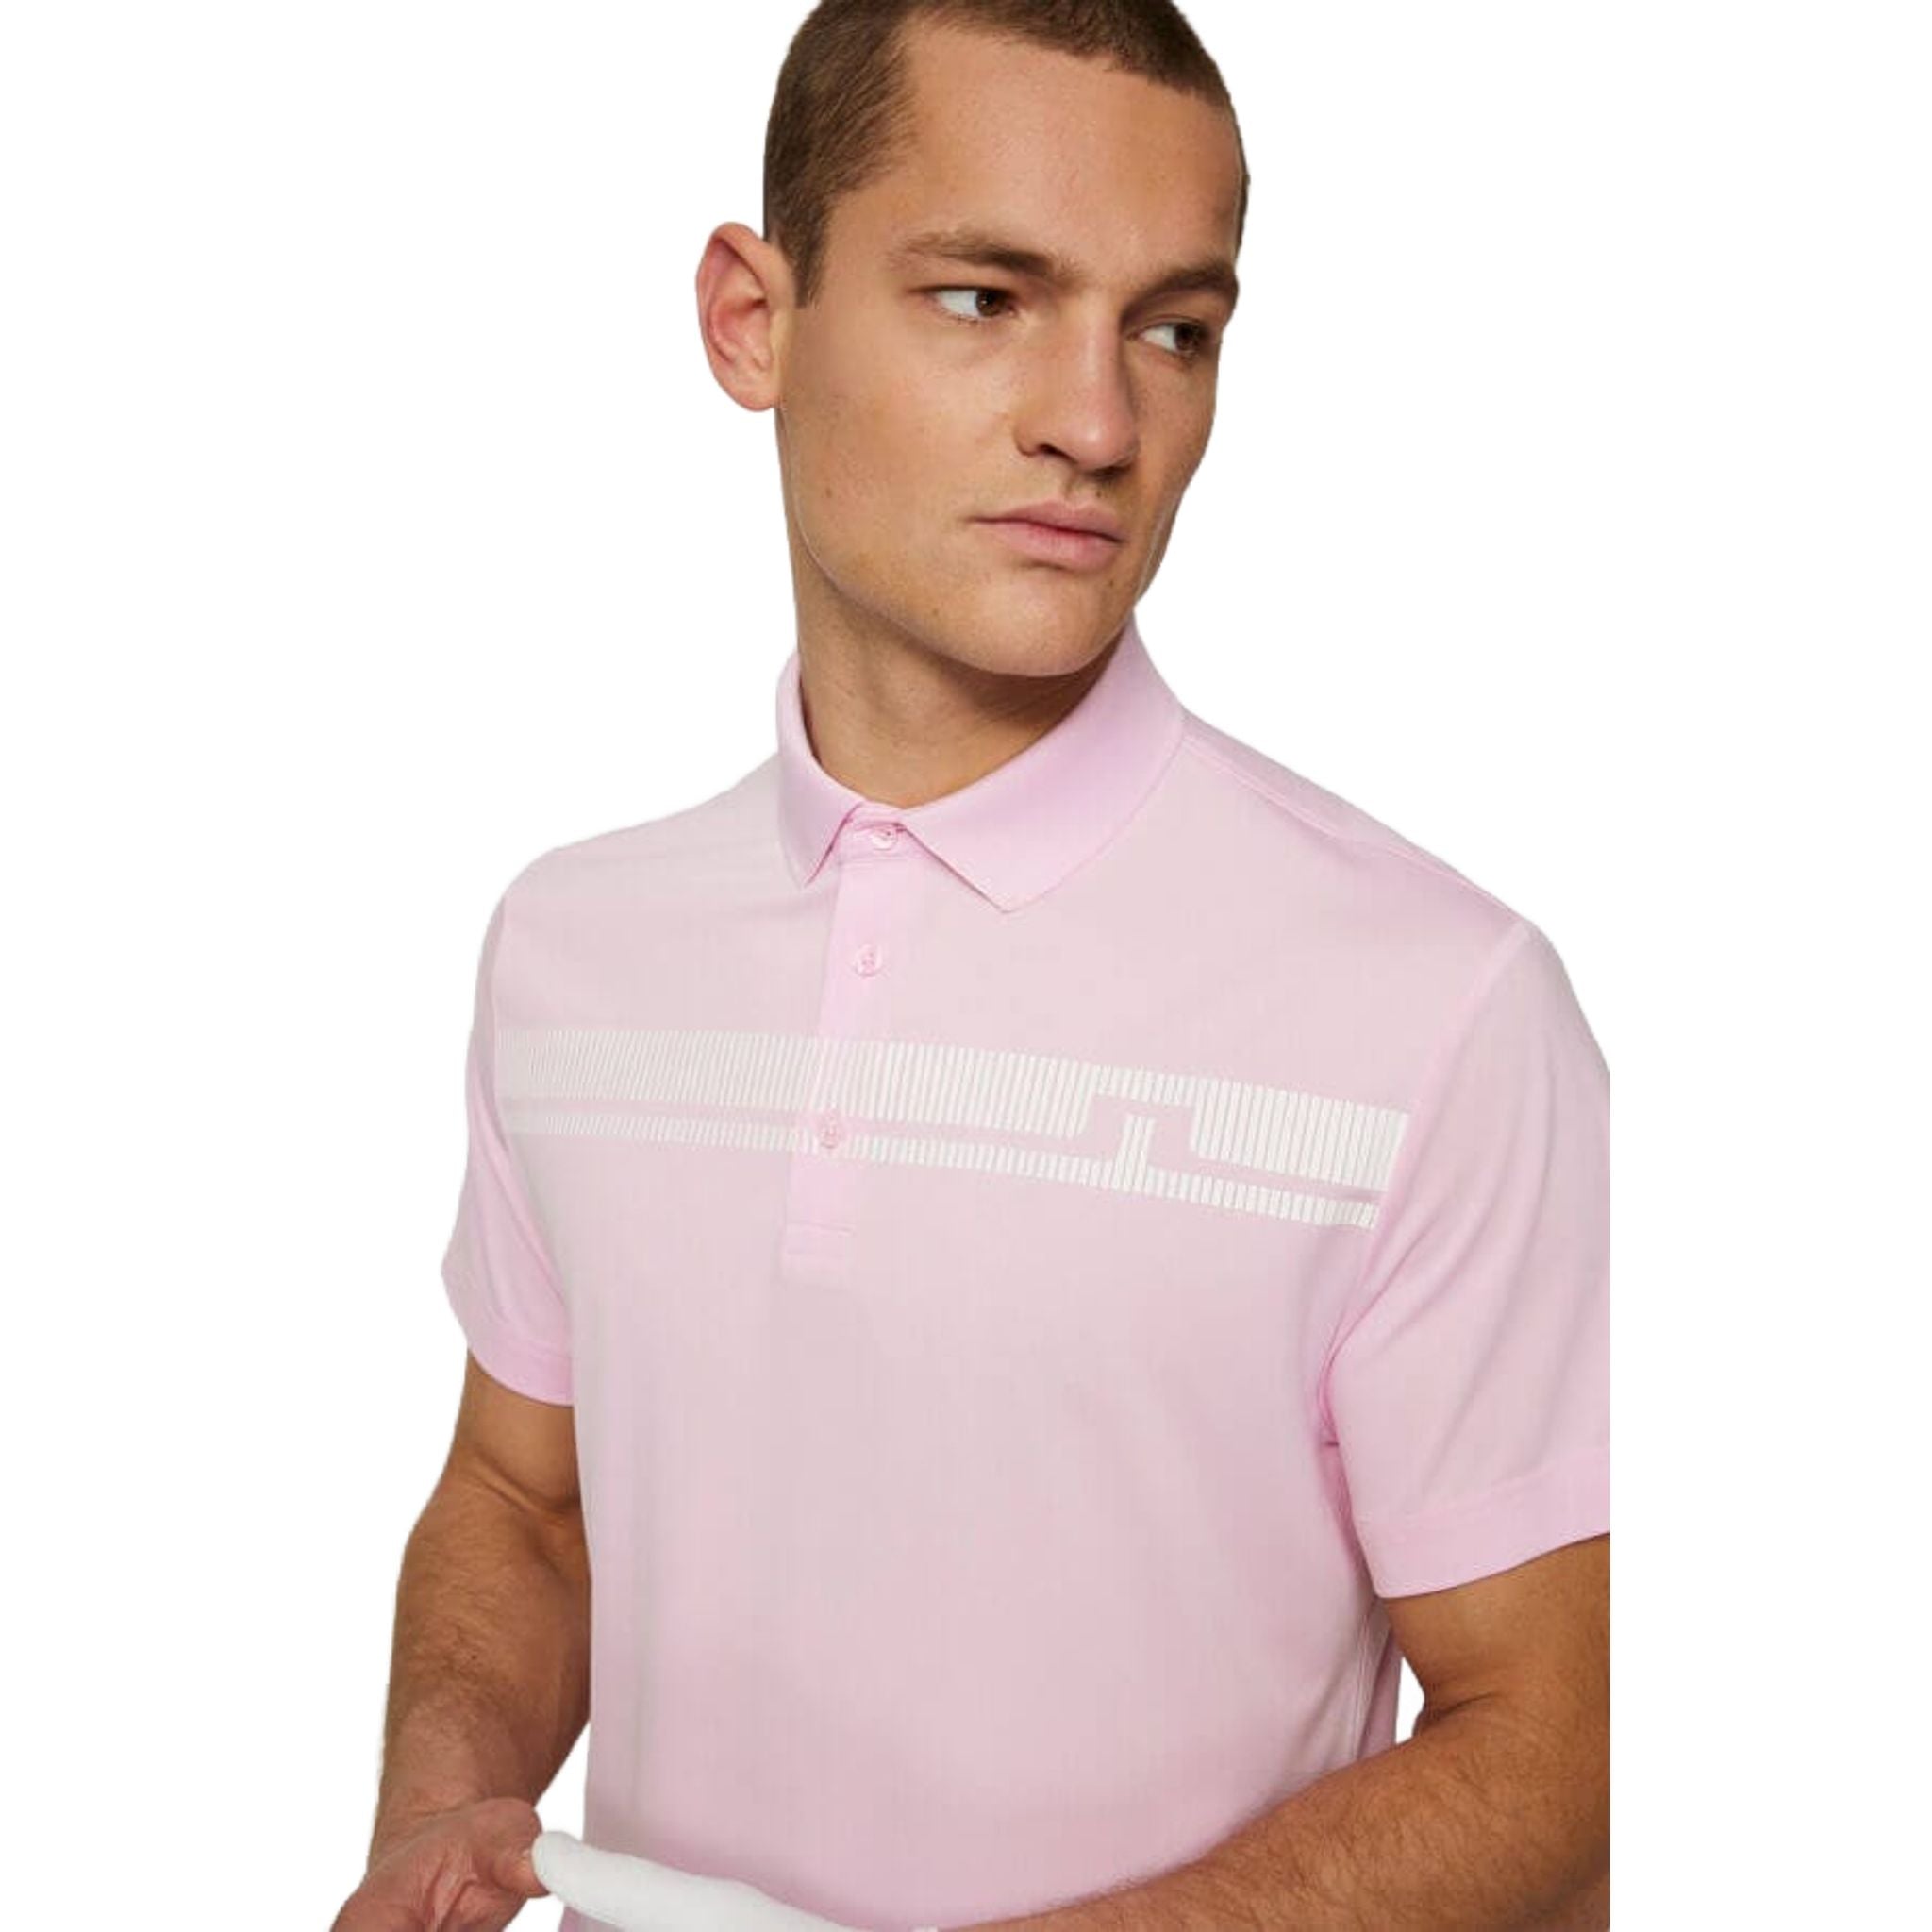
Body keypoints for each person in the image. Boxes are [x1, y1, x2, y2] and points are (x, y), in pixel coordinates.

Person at [332, 3, 1610, 1927]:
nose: (1097, 424)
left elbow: (1565, 1745)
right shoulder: (573, 951)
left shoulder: (1440, 1007)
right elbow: (531, 1500)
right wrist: (440, 1817)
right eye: (985, 298)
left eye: (1172, 329)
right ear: (751, 320)